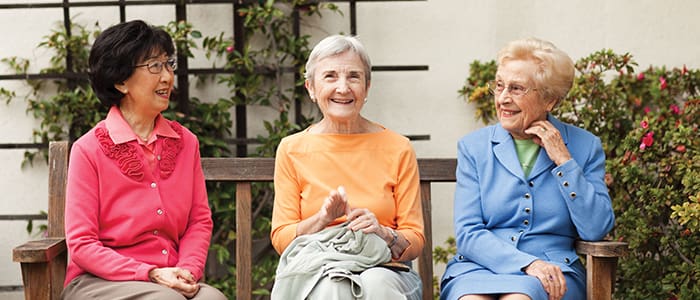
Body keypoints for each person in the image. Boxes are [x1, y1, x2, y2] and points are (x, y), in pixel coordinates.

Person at [61, 20, 226, 300]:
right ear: (120, 81)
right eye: (154, 66)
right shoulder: (88, 149)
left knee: (213, 299)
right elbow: (82, 244)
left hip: (170, 276)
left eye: (168, 64)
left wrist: (187, 270)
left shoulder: (186, 142)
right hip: (99, 281)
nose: (167, 76)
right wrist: (149, 272)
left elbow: (199, 220)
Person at [440, 38, 615, 300]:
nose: (502, 98)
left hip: (554, 271)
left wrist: (564, 161)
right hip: (480, 267)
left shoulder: (584, 146)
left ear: (549, 100)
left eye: (516, 88)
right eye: (499, 86)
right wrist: (527, 264)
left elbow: (596, 228)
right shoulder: (473, 147)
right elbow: (468, 233)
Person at [270, 35, 425, 300]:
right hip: (317, 269)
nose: (343, 88)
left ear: (367, 86)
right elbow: (283, 238)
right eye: (330, 76)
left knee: (375, 284)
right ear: (310, 87)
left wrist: (382, 232)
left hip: (387, 270)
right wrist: (323, 219)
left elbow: (415, 239)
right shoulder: (292, 148)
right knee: (333, 286)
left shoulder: (398, 147)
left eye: (353, 77)